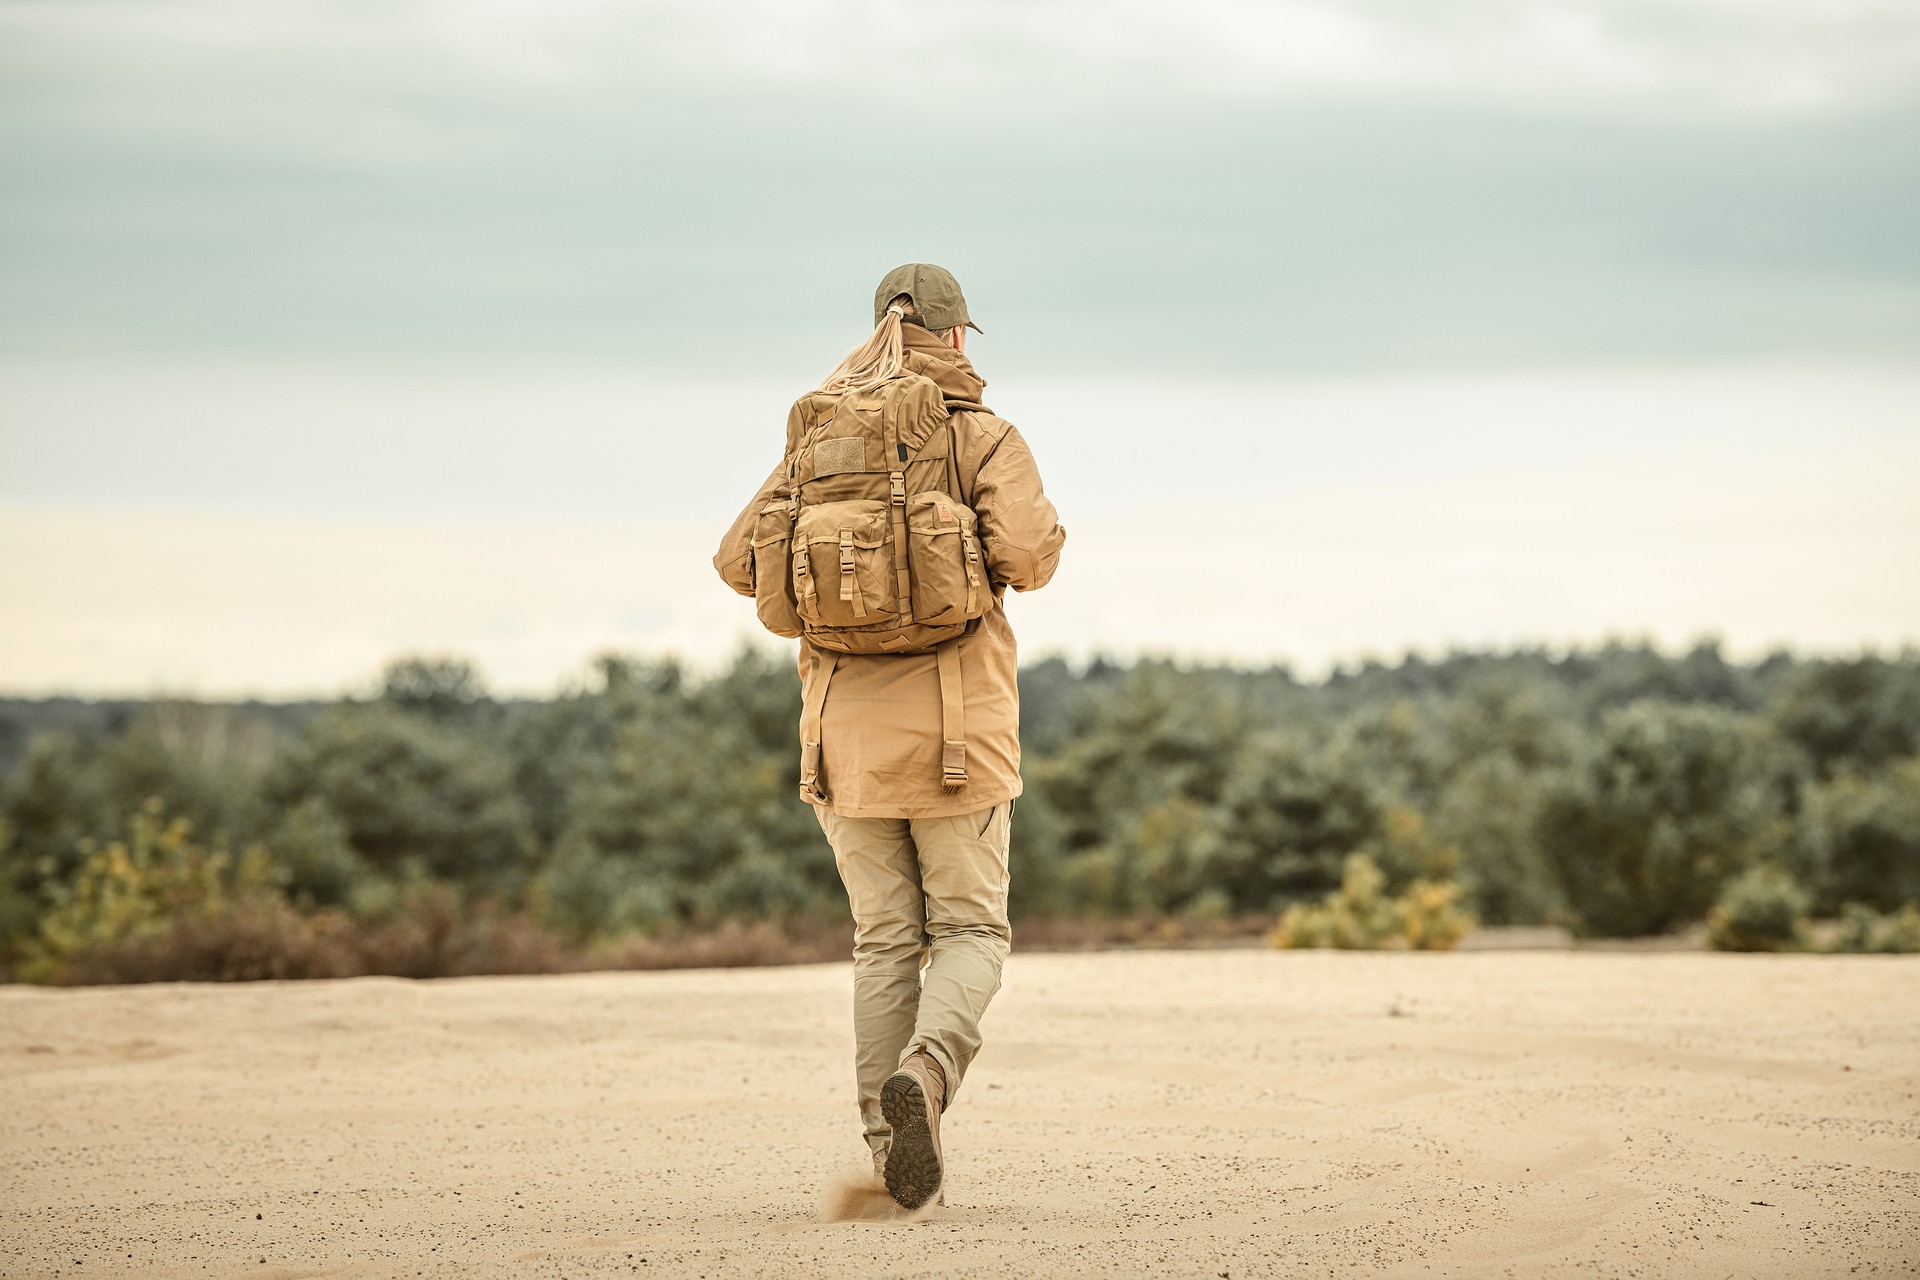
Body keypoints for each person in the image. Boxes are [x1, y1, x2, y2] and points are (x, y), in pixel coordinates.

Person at [713, 263, 1065, 1209]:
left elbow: (736, 561)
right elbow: (1030, 557)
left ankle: (887, 1156)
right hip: (960, 738)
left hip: (844, 746)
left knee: (883, 942)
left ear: (878, 331)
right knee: (969, 929)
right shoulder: (981, 434)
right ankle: (931, 1076)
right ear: (957, 339)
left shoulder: (819, 437)